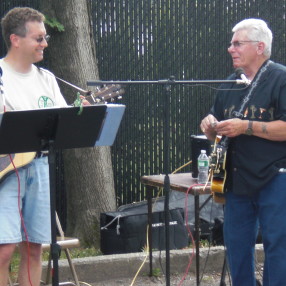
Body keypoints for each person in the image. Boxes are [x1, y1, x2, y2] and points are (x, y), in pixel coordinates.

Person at [200, 18, 286, 286]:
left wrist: (245, 126)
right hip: (235, 179)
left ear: (260, 47)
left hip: (274, 176)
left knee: (278, 246)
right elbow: (217, 129)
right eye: (231, 43)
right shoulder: (230, 82)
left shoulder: (280, 78)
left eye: (238, 43)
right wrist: (210, 126)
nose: (230, 48)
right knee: (236, 245)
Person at [0, 7, 67, 286]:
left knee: (35, 247)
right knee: (4, 251)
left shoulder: (46, 79)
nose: (45, 44)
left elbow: (64, 124)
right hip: (6, 171)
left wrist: (81, 112)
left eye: (45, 37)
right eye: (38, 38)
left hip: (40, 166)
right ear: (16, 40)